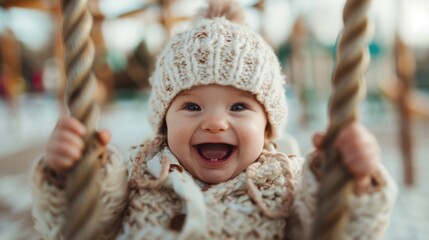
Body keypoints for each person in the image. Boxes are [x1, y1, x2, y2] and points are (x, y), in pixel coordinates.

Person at [31, 0, 397, 239]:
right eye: (192, 107)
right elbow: (82, 227)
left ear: (268, 127)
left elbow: (334, 229)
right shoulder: (139, 176)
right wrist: (73, 176)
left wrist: (356, 181)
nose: (215, 124)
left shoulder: (288, 185)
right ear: (164, 123)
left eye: (239, 107)